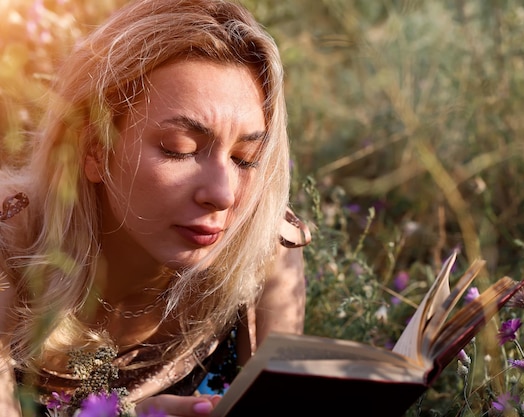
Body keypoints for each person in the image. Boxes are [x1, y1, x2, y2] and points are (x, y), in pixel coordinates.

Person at [0, 0, 311, 416]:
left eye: (245, 159)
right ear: (93, 147)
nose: (222, 194)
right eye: (179, 149)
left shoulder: (264, 246)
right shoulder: (9, 251)